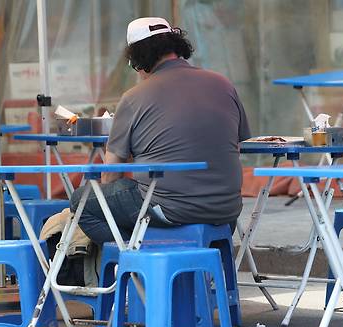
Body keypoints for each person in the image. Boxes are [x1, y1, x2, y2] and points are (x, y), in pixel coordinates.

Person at [71, 17, 250, 244]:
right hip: (226, 211)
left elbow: (110, 174)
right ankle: (162, 259)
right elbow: (239, 142)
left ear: (139, 59)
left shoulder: (134, 97)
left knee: (82, 201)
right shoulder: (223, 84)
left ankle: (139, 260)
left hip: (169, 209)